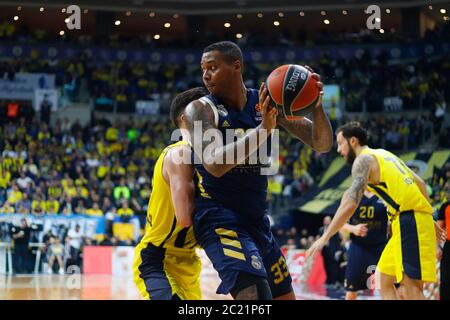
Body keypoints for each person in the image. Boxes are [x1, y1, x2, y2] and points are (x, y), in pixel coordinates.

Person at [184, 41, 333, 300]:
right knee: (254, 296)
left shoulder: (265, 102)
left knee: (284, 298)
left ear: (236, 66)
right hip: (219, 219)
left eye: (212, 67)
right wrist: (264, 129)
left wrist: (316, 106)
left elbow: (321, 143)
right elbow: (215, 164)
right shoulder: (199, 109)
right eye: (203, 69)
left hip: (256, 219)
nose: (206, 75)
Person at [307, 121, 446, 300]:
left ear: (353, 141)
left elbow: (350, 204)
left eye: (340, 143)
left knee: (412, 287)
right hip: (407, 221)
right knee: (383, 278)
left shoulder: (362, 160)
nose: (339, 150)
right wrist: (427, 216)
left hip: (409, 221)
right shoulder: (382, 153)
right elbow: (420, 182)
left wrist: (325, 237)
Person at [132, 87, 209, 300]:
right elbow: (185, 218)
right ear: (186, 117)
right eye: (206, 108)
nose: (215, 113)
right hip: (159, 257)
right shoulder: (179, 154)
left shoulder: (210, 156)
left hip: (189, 261)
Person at [340, 190, 388, 300]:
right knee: (351, 291)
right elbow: (339, 222)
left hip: (380, 248)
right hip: (359, 248)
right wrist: (353, 228)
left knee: (386, 289)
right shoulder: (351, 194)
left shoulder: (385, 192)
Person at [437, 188, 450, 300]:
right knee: (445, 282)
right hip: (448, 248)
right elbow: (438, 229)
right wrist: (437, 247)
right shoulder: (446, 206)